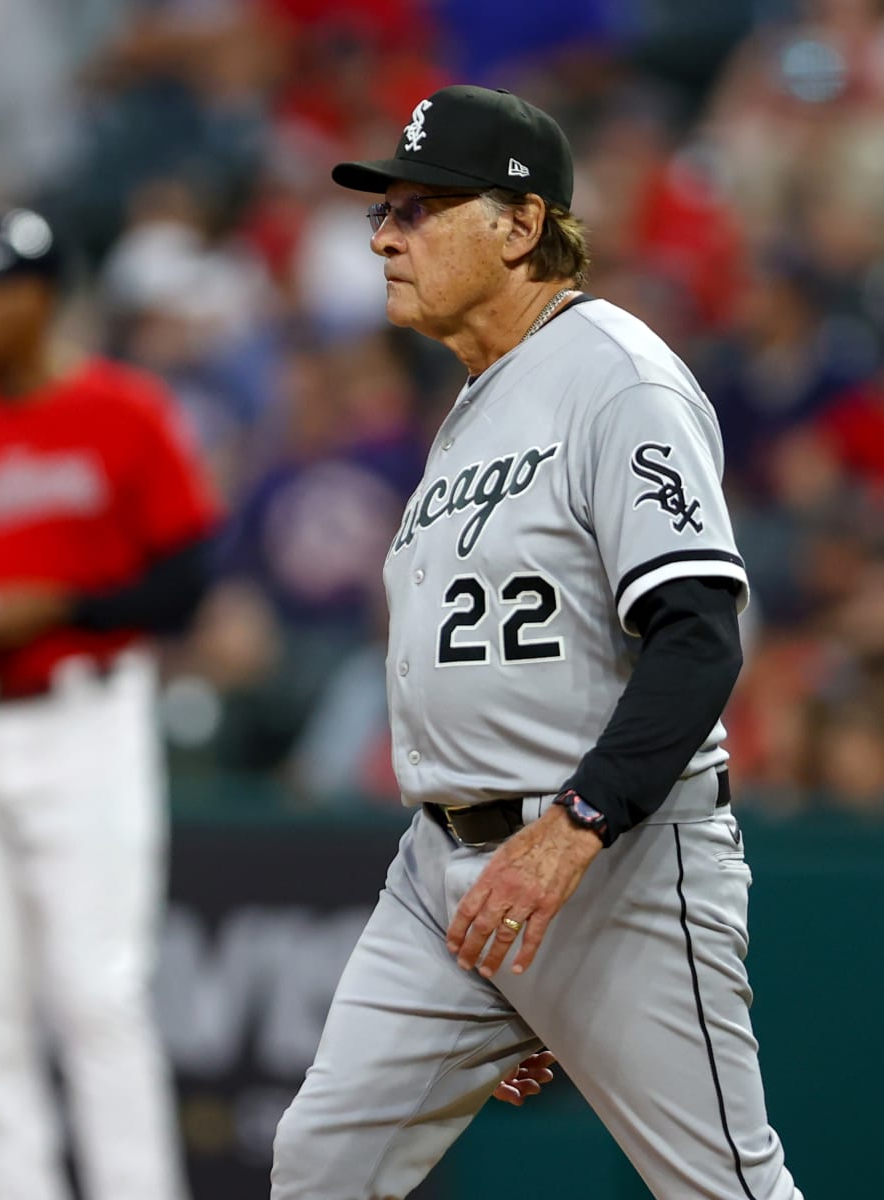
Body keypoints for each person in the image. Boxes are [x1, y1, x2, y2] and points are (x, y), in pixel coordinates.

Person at [272, 85, 802, 1199]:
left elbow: (699, 639)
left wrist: (570, 838)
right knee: (322, 1166)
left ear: (518, 226)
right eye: (386, 213)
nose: (382, 235)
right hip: (448, 877)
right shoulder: (474, 406)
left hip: (609, 861)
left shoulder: (616, 373)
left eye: (418, 209)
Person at [0, 210, 222, 1200]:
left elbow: (186, 582)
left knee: (98, 998)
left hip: (84, 714)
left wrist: (58, 607)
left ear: (42, 295)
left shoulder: (125, 409)